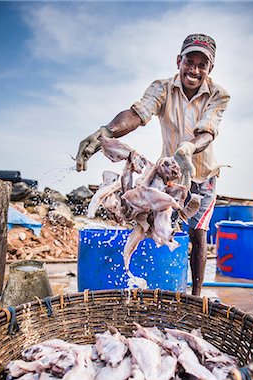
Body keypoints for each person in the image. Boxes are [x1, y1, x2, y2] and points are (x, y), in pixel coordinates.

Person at [75, 33, 230, 296]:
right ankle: (154, 285)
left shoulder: (219, 95)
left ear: (210, 68)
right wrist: (107, 132)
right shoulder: (161, 88)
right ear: (178, 60)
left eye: (201, 64)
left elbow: (207, 131)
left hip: (203, 175)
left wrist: (189, 147)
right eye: (189, 61)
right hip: (170, 176)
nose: (194, 69)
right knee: (158, 226)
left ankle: (196, 294)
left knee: (198, 232)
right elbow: (137, 114)